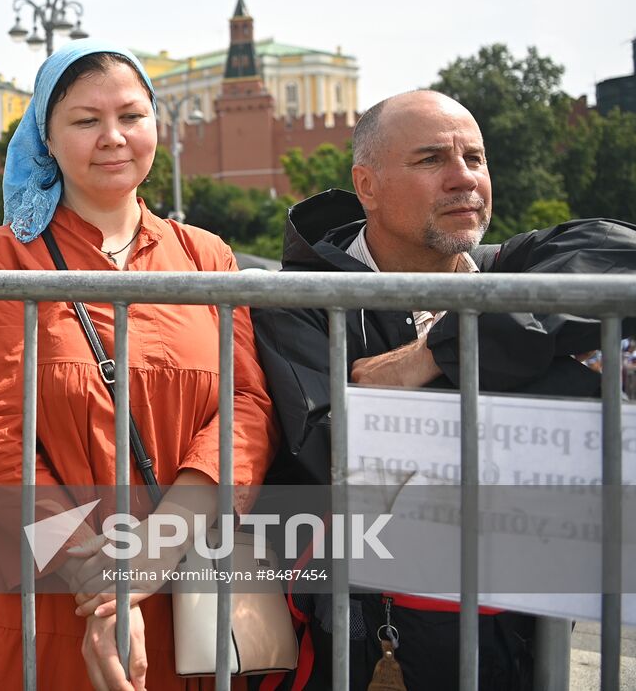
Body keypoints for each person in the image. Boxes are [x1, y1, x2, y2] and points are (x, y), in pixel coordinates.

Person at [250, 89, 636, 690]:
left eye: (475, 159)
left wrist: (436, 352)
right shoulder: (303, 301)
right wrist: (538, 372)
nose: (463, 180)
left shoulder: (511, 269)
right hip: (374, 638)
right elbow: (350, 458)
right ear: (367, 184)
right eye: (431, 160)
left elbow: (619, 253)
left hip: (522, 630)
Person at [0, 42, 278, 691]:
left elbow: (245, 409)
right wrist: (95, 580)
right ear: (46, 134)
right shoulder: (1, 259)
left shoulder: (204, 256)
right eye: (85, 119)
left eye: (131, 115)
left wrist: (156, 548)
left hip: (183, 585)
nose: (113, 136)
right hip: (47, 596)